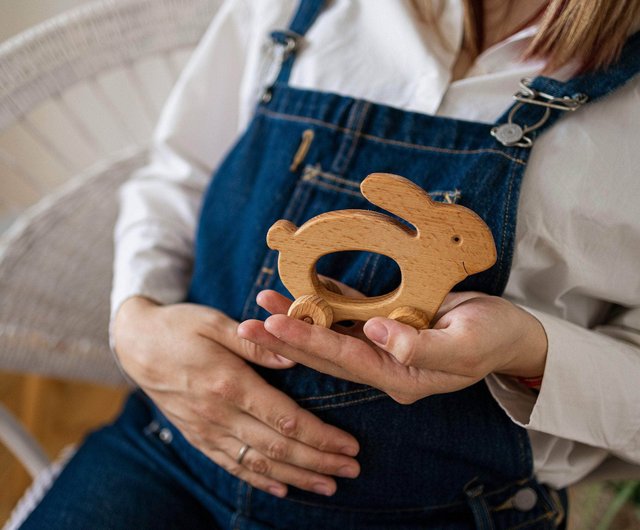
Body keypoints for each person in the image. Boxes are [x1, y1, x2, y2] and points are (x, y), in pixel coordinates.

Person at [20, 0, 640, 528]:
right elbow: (180, 177)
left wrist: (522, 351)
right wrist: (137, 319)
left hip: (439, 510)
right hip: (171, 453)